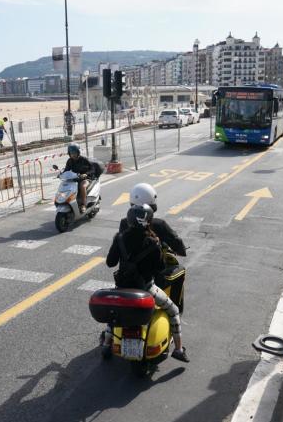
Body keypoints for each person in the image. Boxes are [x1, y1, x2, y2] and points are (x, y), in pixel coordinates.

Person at [105, 204, 189, 362]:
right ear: (149, 222)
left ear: (129, 220)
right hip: (146, 289)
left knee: (114, 314)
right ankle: (178, 349)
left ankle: (106, 345)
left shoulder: (120, 238)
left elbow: (110, 262)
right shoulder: (153, 242)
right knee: (174, 310)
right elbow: (160, 269)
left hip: (122, 289)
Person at [118, 183, 186, 257]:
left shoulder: (124, 223)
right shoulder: (159, 224)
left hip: (129, 267)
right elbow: (178, 245)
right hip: (153, 267)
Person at [63, 143, 93, 213]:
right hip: (75, 179)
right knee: (66, 185)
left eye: (74, 152)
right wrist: (61, 174)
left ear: (78, 152)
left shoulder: (84, 159)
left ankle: (83, 204)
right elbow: (66, 170)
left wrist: (86, 174)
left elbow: (92, 169)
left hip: (85, 178)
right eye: (71, 153)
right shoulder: (69, 161)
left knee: (82, 186)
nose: (73, 154)